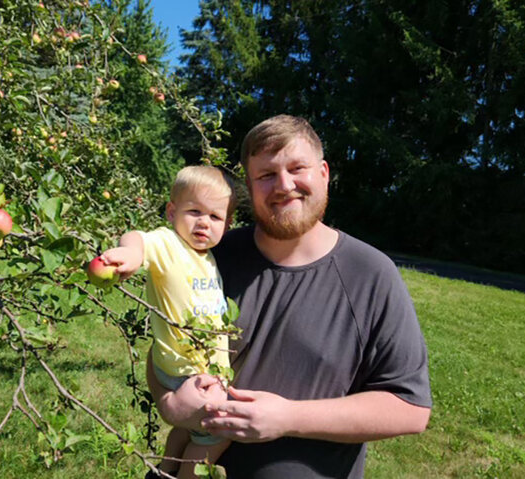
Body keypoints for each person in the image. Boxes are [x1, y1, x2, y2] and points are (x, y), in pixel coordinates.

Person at [146, 115, 432, 478]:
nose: (284, 185)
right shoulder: (209, 257)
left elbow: (409, 408)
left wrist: (288, 418)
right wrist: (169, 402)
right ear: (249, 188)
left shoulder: (371, 275)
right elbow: (164, 347)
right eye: (266, 175)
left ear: (324, 173)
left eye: (298, 168)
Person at [100, 165, 238, 479]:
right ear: (171, 212)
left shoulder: (206, 257)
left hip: (195, 369)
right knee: (219, 433)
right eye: (194, 211)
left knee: (187, 432)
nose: (204, 222)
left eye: (215, 217)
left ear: (227, 224)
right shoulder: (169, 244)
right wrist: (130, 254)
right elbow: (139, 239)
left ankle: (166, 470)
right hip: (182, 370)